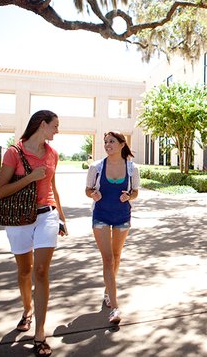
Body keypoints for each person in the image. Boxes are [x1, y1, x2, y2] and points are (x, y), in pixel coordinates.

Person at [0, 110, 67, 357]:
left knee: (41, 271)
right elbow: (1, 192)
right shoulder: (13, 152)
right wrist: (29, 178)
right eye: (55, 126)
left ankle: (40, 332)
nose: (58, 130)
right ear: (42, 124)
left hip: (47, 214)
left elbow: (53, 188)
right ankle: (27, 309)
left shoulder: (53, 154)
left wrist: (62, 217)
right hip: (19, 219)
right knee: (25, 270)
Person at [85, 131, 140, 325]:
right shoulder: (96, 167)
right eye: (106, 142)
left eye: (112, 141)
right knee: (107, 258)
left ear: (122, 144)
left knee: (116, 257)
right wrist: (93, 194)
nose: (108, 144)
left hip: (122, 216)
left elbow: (135, 192)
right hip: (100, 215)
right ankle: (115, 307)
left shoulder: (132, 168)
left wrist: (129, 196)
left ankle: (108, 290)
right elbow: (87, 189)